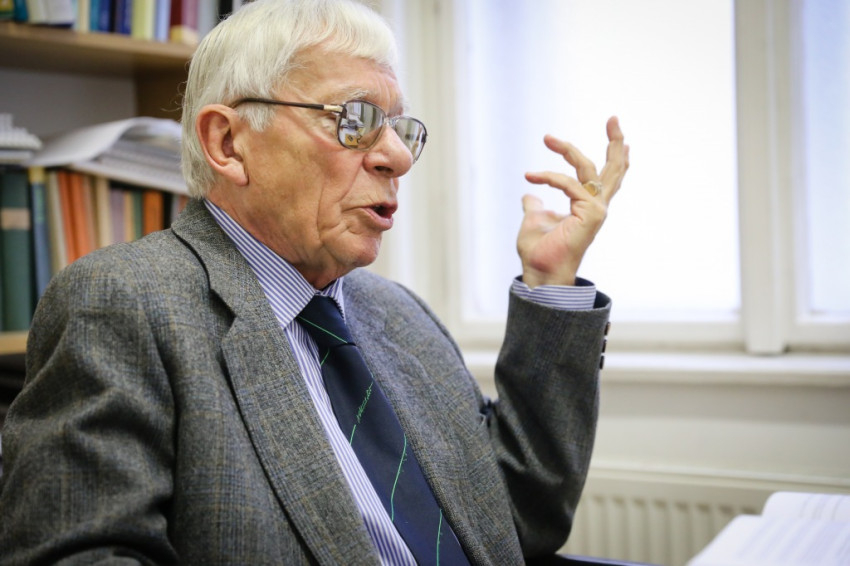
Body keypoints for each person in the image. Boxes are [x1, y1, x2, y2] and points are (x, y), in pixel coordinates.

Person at [0, 0, 629, 564]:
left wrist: (549, 281)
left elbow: (519, 521)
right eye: (355, 119)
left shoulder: (399, 314)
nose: (397, 157)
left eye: (400, 128)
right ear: (228, 142)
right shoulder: (123, 304)